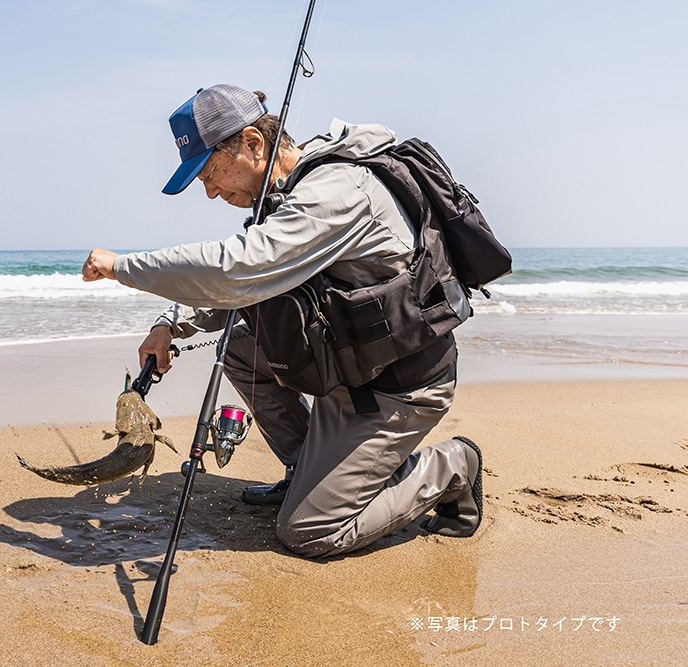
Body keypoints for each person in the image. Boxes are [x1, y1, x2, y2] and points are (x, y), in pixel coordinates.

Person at [81, 84, 482, 558]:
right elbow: (254, 283)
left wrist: (122, 266)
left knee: (308, 532)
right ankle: (305, 471)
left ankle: (453, 465)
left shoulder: (334, 192)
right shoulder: (288, 196)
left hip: (399, 386)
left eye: (210, 174)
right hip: (348, 368)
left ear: (253, 143)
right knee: (239, 346)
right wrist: (171, 324)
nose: (210, 192)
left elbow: (242, 268)